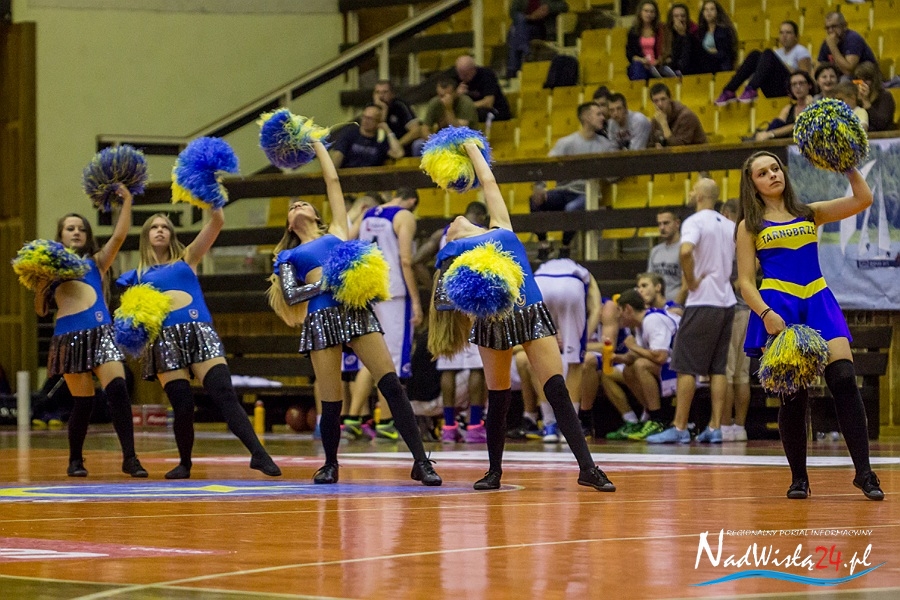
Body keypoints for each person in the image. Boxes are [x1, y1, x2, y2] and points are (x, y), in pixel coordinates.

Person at [429, 141, 615, 492]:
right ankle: (494, 471)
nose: (455, 220)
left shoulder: (500, 226)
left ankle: (588, 468)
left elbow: (488, 182)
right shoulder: (452, 254)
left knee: (556, 388)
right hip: (493, 322)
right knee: (498, 397)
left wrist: (471, 149)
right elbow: (447, 303)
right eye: (450, 225)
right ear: (449, 237)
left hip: (531, 312)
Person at [272, 141, 441, 486]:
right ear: (289, 225)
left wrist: (318, 146)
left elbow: (333, 182)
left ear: (317, 216)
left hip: (355, 311)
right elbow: (291, 295)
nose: (298, 206)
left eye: (304, 204)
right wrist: (328, 282)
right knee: (331, 398)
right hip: (320, 320)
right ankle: (330, 464)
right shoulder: (289, 257)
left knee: (391, 383)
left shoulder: (337, 231)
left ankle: (421, 461)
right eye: (293, 207)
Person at [735, 150, 883, 501]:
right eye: (762, 173)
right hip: (779, 306)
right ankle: (799, 478)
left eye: (775, 168)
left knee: (844, 379)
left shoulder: (809, 212)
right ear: (752, 185)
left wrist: (848, 167)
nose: (772, 175)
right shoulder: (749, 226)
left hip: (817, 299)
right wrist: (765, 314)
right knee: (793, 395)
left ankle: (864, 473)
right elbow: (745, 282)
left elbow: (863, 199)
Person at [118, 209, 280, 480]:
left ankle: (258, 453)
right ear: (145, 236)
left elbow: (217, 222)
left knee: (224, 392)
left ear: (172, 234)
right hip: (165, 340)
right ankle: (185, 463)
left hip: (199, 331)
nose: (160, 230)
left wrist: (211, 201)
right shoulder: (136, 276)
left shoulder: (188, 257)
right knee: (182, 405)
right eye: (154, 227)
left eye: (165, 227)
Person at [40, 187, 147, 478]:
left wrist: (127, 201)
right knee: (83, 403)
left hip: (101, 333)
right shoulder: (49, 268)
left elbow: (119, 236)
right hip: (68, 337)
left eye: (81, 229)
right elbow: (40, 309)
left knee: (119, 390)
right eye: (70, 228)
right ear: (60, 235)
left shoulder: (96, 262)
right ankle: (75, 460)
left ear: (87, 235)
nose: (76, 232)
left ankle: (130, 459)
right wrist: (41, 284)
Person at [646, 178, 736, 444]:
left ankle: (680, 427)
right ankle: (715, 427)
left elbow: (685, 252)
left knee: (686, 366)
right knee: (718, 368)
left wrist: (692, 280)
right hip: (727, 301)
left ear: (699, 195)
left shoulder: (695, 222)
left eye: (693, 188)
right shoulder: (729, 224)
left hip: (702, 300)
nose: (690, 191)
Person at [346, 187, 423, 441]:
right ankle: (387, 423)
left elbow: (347, 242)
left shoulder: (367, 214)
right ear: (412, 201)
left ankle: (352, 419)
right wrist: (416, 300)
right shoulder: (404, 216)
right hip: (394, 293)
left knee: (370, 358)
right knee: (390, 360)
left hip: (368, 290)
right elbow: (406, 261)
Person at [413, 201, 490, 444]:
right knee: (476, 365)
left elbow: (416, 260)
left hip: (445, 286)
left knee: (448, 361)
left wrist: (433, 285)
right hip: (470, 289)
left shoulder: (442, 233)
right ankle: (475, 425)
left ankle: (448, 427)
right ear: (481, 216)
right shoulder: (480, 232)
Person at [524, 256, 602, 443]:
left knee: (539, 361)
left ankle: (549, 426)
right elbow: (596, 309)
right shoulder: (582, 272)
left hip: (540, 285)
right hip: (571, 286)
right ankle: (569, 428)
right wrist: (580, 341)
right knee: (575, 363)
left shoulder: (542, 267)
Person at [530, 102, 618, 259]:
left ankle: (565, 247)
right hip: (563, 191)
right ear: (586, 117)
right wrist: (540, 188)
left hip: (587, 194)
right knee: (535, 201)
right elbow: (547, 166)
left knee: (572, 208)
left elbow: (613, 175)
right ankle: (544, 245)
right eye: (598, 114)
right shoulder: (566, 143)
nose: (602, 118)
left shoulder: (605, 145)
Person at [615, 288, 680, 440]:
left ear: (628, 309)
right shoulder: (640, 324)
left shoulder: (652, 320)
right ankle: (651, 415)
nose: (617, 316)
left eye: (619, 310)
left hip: (684, 369)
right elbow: (638, 354)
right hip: (670, 366)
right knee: (628, 370)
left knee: (641, 365)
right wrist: (617, 358)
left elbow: (660, 356)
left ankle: (658, 420)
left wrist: (633, 347)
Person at [715, 20, 812, 105]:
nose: (784, 36)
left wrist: (784, 66)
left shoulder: (800, 51)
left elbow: (805, 77)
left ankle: (752, 88)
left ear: (796, 36)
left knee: (767, 53)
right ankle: (729, 90)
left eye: (788, 33)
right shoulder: (777, 52)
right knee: (755, 54)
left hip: (790, 89)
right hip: (772, 88)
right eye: (781, 33)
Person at [719, 199, 750, 443]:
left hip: (730, 309)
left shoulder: (727, 238)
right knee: (742, 373)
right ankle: (740, 426)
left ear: (725, 213)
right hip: (748, 309)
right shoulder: (749, 234)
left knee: (727, 372)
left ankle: (725, 426)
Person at [507, 0, 570, 78]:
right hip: (526, 24)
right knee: (519, 25)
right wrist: (528, 17)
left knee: (516, 33)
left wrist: (548, 8)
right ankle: (525, 51)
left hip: (543, 26)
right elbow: (513, 11)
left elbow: (564, 6)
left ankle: (513, 71)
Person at [329, 104, 405, 169]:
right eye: (364, 117)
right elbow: (337, 156)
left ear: (378, 121)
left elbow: (398, 154)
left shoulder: (380, 140)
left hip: (372, 177)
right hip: (349, 174)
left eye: (370, 118)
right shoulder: (350, 133)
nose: (365, 120)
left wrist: (388, 131)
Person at [753, 70, 816, 141]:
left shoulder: (816, 104)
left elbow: (800, 125)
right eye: (794, 84)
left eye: (801, 83)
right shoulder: (788, 108)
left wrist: (771, 134)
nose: (798, 87)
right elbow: (774, 127)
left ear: (809, 85)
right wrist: (765, 133)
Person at [817, 11, 877, 79]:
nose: (830, 31)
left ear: (844, 26)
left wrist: (833, 47)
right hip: (843, 79)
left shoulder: (853, 38)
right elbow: (819, 69)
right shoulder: (827, 43)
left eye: (834, 26)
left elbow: (848, 72)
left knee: (844, 80)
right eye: (827, 28)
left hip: (866, 78)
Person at [626, 1, 676, 80]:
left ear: (655, 14)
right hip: (642, 64)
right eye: (646, 11)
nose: (649, 14)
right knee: (637, 67)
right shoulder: (633, 32)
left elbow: (668, 51)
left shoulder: (662, 30)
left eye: (652, 12)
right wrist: (643, 60)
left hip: (658, 65)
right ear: (640, 12)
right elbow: (630, 54)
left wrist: (658, 61)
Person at [455, 55, 512, 123]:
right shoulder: (456, 76)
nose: (461, 77)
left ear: (473, 70)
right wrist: (456, 94)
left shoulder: (486, 75)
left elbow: (488, 103)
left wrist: (467, 106)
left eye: (465, 75)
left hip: (496, 111)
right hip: (473, 109)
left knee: (472, 114)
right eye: (460, 74)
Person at [648, 82, 707, 147]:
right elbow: (650, 144)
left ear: (670, 99)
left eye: (663, 99)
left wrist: (664, 124)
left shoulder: (686, 116)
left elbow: (678, 147)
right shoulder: (656, 120)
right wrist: (655, 146)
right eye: (656, 101)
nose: (660, 104)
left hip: (699, 152)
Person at [372, 80, 422, 157]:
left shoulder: (400, 106)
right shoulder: (370, 108)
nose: (381, 96)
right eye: (377, 92)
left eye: (385, 92)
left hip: (402, 147)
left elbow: (416, 130)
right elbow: (377, 132)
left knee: (418, 144)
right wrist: (384, 109)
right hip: (378, 148)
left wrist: (396, 145)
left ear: (392, 94)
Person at [647, 208, 683, 303]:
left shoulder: (685, 249)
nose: (662, 228)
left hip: (679, 305)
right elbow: (649, 281)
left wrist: (675, 306)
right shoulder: (655, 251)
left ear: (677, 223)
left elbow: (687, 286)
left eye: (666, 223)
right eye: (659, 224)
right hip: (658, 305)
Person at [695, 0, 738, 74]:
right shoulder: (701, 32)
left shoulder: (724, 30)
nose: (708, 12)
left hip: (720, 66)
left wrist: (708, 53)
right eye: (706, 9)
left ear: (717, 12)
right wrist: (709, 51)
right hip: (705, 65)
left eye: (712, 9)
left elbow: (725, 53)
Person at [659, 3, 699, 76]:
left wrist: (683, 35)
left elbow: (686, 61)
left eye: (683, 16)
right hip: (670, 70)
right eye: (676, 16)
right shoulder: (667, 34)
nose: (680, 19)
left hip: (690, 72)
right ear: (671, 18)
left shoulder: (693, 33)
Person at [854, 61, 896, 133]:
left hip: (883, 137)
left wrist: (866, 102)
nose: (862, 84)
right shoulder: (855, 97)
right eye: (859, 80)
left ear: (874, 80)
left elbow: (881, 124)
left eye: (866, 79)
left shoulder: (885, 96)